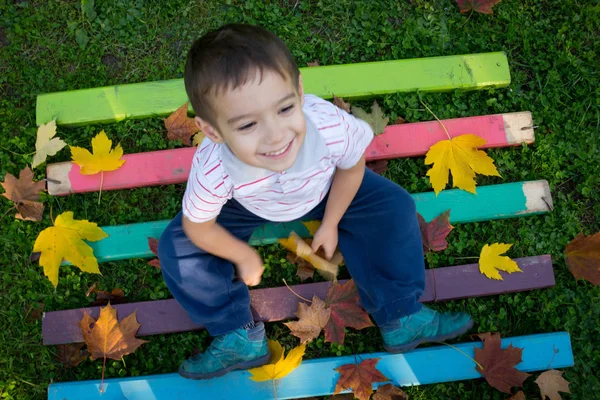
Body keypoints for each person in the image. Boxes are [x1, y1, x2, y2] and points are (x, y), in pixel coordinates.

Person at [158, 23, 473, 380]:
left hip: (323, 186)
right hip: (246, 202)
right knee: (178, 248)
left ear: (300, 91)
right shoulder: (215, 167)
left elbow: (352, 168)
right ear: (212, 130)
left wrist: (331, 221)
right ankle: (236, 334)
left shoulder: (326, 125)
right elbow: (197, 225)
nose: (276, 135)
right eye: (247, 126)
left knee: (393, 207)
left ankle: (399, 313)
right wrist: (241, 255)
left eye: (285, 108)